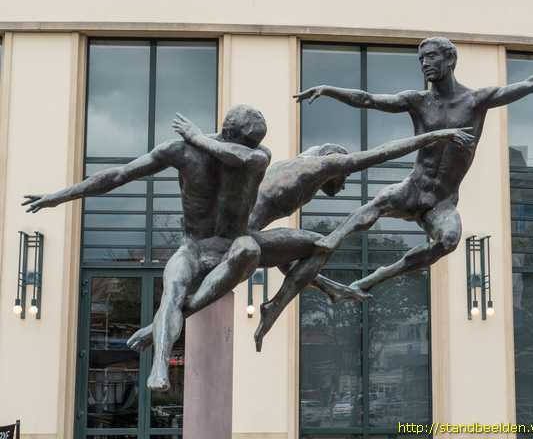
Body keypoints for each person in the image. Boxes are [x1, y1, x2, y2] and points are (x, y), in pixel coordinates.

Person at [294, 36, 533, 295]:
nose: (425, 64)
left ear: (450, 59)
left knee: (448, 241)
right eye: (421, 59)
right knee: (373, 206)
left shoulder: (475, 101)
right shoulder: (418, 101)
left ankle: (375, 277)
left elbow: (530, 84)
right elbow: (369, 100)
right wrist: (329, 90)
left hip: (442, 202)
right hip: (414, 188)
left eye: (431, 57)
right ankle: (327, 243)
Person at [127, 113, 473, 352]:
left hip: (237, 232)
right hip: (233, 238)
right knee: (323, 243)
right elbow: (379, 154)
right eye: (343, 178)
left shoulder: (296, 163)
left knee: (312, 246)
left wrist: (323, 284)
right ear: (336, 164)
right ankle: (270, 308)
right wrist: (435, 136)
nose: (343, 184)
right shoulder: (322, 167)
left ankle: (302, 298)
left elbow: (283, 253)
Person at [24, 105, 272, 391]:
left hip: (232, 245)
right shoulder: (181, 151)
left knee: (249, 248)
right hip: (195, 246)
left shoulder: (256, 156)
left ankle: (156, 328)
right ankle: (159, 367)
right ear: (229, 132)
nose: (254, 147)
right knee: (173, 289)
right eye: (248, 141)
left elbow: (240, 158)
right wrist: (59, 196)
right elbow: (119, 175)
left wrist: (198, 137)